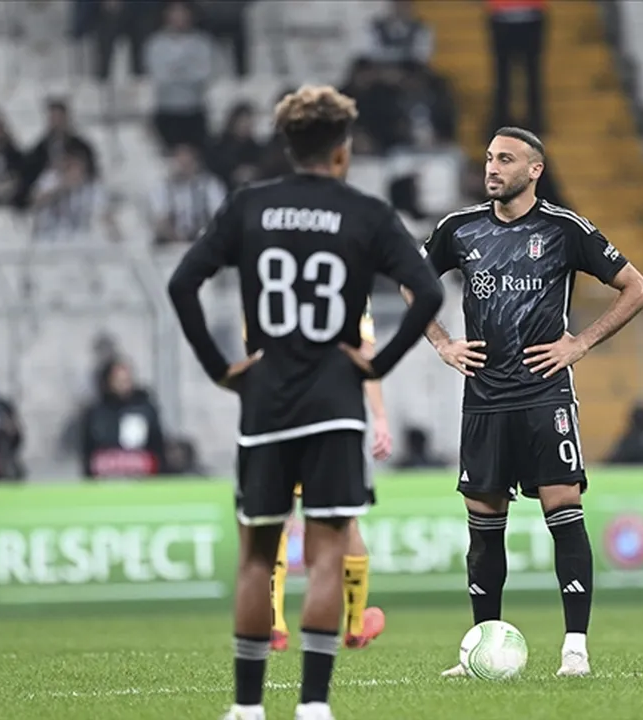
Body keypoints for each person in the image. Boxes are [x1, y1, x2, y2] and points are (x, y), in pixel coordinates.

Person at [166, 85, 444, 720]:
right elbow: (426, 293)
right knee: (325, 552)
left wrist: (220, 369)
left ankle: (246, 708)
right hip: (336, 402)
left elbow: (183, 283)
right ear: (342, 151)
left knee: (257, 554)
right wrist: (377, 362)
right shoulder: (366, 213)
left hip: (265, 404)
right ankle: (313, 705)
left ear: (288, 146)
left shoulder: (248, 207)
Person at [414, 126, 643, 678]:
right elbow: (411, 281)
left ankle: (575, 649)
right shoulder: (458, 229)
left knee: (563, 511)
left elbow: (637, 286)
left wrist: (582, 341)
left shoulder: (563, 229)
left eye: (506, 159)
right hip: (484, 400)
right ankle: (480, 643)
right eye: (490, 158)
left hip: (546, 393)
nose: (492, 168)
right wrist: (443, 342)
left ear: (534, 170)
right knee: (483, 521)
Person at [267, 301, 393, 653]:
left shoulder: (269, 266)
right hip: (334, 411)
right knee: (345, 518)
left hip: (281, 407)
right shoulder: (347, 272)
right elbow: (364, 352)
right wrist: (380, 417)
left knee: (278, 512)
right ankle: (354, 624)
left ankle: (273, 623)